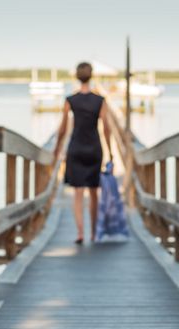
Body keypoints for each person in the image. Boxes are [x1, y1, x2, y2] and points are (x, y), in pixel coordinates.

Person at [53, 62, 113, 243]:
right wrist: (110, 151)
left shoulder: (70, 100)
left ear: (77, 77)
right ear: (92, 75)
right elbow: (107, 127)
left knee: (77, 193)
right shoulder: (100, 100)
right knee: (94, 193)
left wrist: (56, 149)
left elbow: (63, 129)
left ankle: (80, 232)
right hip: (95, 149)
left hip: (76, 148)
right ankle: (94, 233)